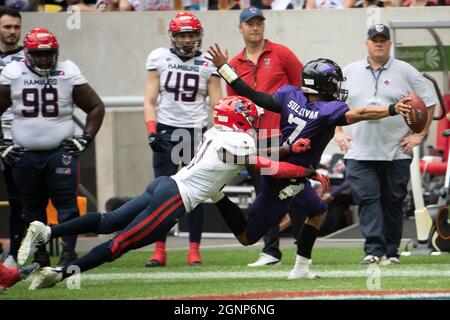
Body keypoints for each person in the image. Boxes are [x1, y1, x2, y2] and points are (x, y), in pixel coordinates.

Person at [12, 96, 313, 290]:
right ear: (238, 119)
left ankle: (48, 231)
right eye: (249, 117)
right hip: (175, 198)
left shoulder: (218, 133)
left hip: (165, 185)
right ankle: (61, 273)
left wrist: (286, 148)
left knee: (109, 220)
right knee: (121, 243)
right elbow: (270, 167)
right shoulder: (239, 142)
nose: (253, 122)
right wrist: (307, 172)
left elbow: (256, 152)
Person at [206, 44, 412, 279]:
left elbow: (253, 94)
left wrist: (224, 68)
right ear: (324, 85)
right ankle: (217, 195)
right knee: (247, 237)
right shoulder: (328, 110)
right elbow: (362, 113)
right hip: (284, 177)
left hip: (292, 172)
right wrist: (393, 108)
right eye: (334, 82)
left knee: (318, 210)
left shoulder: (288, 95)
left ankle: (301, 269)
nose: (337, 87)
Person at [0, 28, 105, 268]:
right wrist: (2, 145)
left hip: (60, 153)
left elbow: (96, 106)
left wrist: (85, 138)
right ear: (27, 54)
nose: (45, 59)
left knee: (66, 206)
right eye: (39, 54)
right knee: (31, 209)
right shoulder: (13, 72)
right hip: (24, 154)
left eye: (49, 54)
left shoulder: (67, 71)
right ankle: (40, 256)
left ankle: (69, 253)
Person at [333, 24, 437, 265]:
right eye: (374, 40)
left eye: (383, 40)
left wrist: (419, 135)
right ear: (366, 44)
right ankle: (373, 251)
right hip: (359, 151)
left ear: (390, 44)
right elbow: (335, 105)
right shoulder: (350, 71)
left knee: (392, 201)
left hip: (396, 151)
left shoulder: (407, 71)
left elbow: (429, 102)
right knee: (368, 199)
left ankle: (391, 252)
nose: (378, 43)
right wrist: (337, 131)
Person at [143, 12, 222, 268]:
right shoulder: (159, 57)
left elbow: (217, 104)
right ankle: (159, 249)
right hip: (166, 130)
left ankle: (194, 249)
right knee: (161, 193)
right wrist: (152, 129)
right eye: (182, 35)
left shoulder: (208, 63)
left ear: (198, 36)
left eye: (191, 35)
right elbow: (150, 99)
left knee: (195, 194)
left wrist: (222, 134)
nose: (187, 40)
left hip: (195, 132)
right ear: (173, 37)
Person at [229, 6, 304, 267]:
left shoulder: (282, 53)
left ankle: (303, 247)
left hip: (283, 137)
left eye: (259, 22)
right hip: (252, 139)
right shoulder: (234, 64)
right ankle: (271, 250)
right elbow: (232, 102)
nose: (254, 27)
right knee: (264, 196)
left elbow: (302, 86)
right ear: (240, 27)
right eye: (249, 23)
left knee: (293, 192)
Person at [0, 8, 25, 269]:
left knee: (18, 198)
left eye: (16, 27)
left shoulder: (27, 57)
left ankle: (15, 253)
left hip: (14, 137)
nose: (12, 32)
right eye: (7, 26)